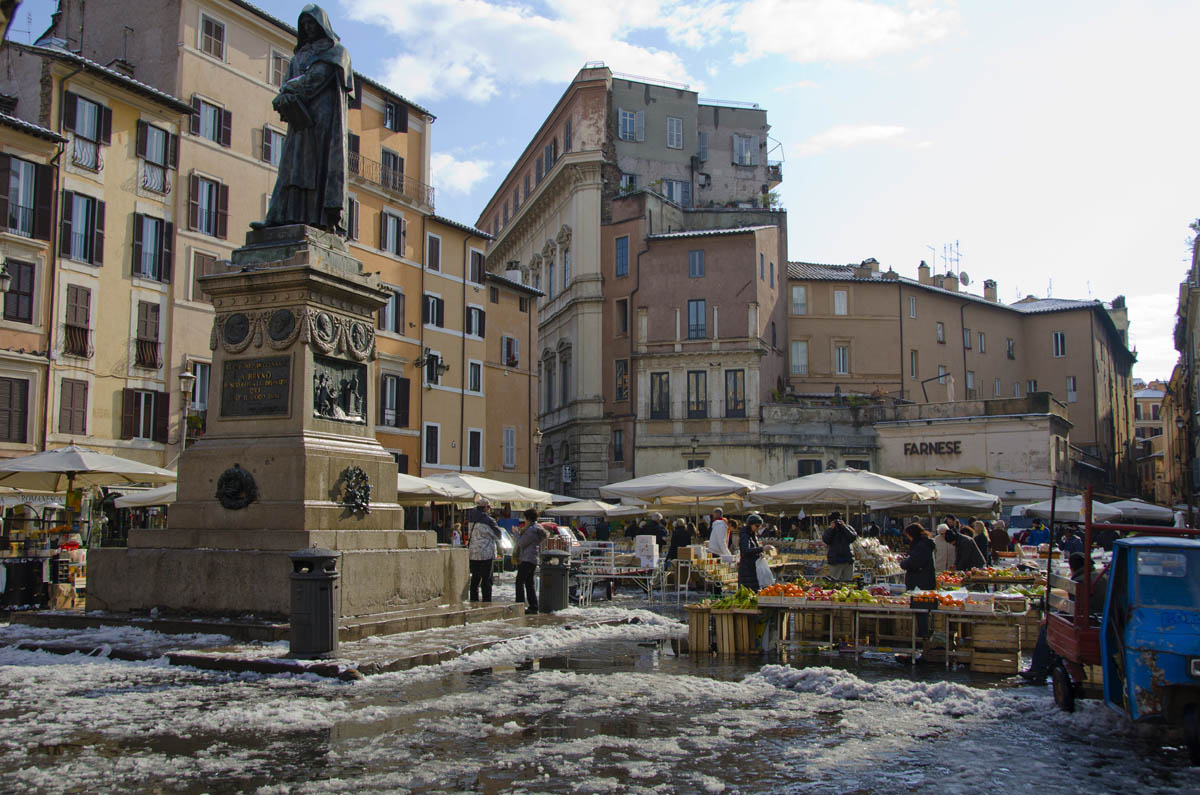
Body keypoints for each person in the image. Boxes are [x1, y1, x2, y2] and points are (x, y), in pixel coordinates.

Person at [255, 5, 354, 234]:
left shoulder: (336, 52)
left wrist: (288, 90)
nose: (308, 28)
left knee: (317, 169)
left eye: (312, 23)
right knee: (291, 167)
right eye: (304, 24)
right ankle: (278, 217)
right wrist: (284, 97)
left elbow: (315, 79)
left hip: (323, 120)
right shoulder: (298, 56)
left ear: (322, 25)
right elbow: (289, 83)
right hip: (300, 120)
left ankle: (318, 221)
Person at [899, 522, 937, 638]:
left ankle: (923, 635)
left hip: (920, 583)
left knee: (922, 611)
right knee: (924, 611)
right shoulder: (924, 544)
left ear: (912, 534)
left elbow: (914, 562)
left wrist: (904, 562)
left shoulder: (921, 546)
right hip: (925, 581)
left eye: (908, 535)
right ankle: (924, 633)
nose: (908, 538)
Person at [467, 497, 501, 602]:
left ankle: (474, 600)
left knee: (475, 579)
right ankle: (486, 602)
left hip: (473, 553)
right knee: (486, 579)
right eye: (489, 507)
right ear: (486, 507)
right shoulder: (489, 520)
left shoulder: (471, 518)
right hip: (486, 554)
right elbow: (498, 535)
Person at [515, 508, 546, 614]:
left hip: (527, 558)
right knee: (529, 583)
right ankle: (533, 606)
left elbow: (521, 543)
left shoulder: (531, 530)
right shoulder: (537, 528)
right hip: (533, 558)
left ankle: (520, 604)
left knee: (519, 582)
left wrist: (517, 534)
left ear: (528, 518)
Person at [822, 511, 858, 581]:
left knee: (848, 582)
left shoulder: (847, 528)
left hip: (847, 560)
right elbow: (826, 540)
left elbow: (853, 537)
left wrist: (844, 527)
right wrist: (832, 529)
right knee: (833, 582)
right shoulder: (830, 530)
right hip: (835, 560)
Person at [737, 514, 768, 590]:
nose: (758, 528)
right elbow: (746, 551)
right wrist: (762, 549)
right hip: (747, 569)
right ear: (750, 524)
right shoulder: (745, 535)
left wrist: (759, 553)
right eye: (757, 526)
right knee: (749, 593)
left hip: (751, 568)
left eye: (759, 526)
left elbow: (752, 549)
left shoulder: (752, 535)